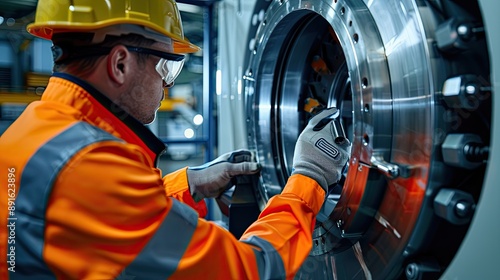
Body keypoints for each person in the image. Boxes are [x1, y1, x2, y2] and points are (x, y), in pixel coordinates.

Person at [0, 0, 350, 279]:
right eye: (166, 67)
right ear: (120, 64)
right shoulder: (91, 165)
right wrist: (309, 177)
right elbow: (249, 270)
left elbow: (92, 217)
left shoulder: (35, 130)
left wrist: (190, 184)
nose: (166, 85)